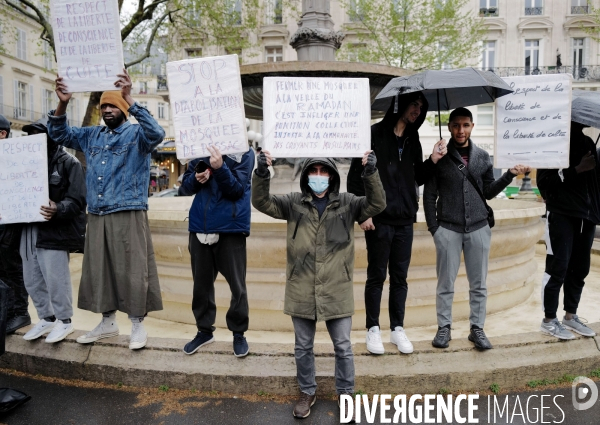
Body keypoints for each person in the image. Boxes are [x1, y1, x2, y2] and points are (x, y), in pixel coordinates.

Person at [252, 149, 386, 420]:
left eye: (324, 171)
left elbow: (377, 204)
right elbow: (262, 202)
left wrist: (370, 172)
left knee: (343, 346)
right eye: (313, 170)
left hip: (337, 286)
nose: (319, 176)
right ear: (306, 176)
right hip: (301, 285)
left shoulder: (348, 203)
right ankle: (307, 391)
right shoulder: (293, 203)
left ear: (333, 176)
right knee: (302, 345)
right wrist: (262, 173)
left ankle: (346, 393)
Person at [48, 69, 165, 350]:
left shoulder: (138, 135)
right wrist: (62, 103)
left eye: (113, 105)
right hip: (98, 213)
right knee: (100, 270)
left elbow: (157, 133)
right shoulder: (92, 136)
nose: (108, 110)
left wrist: (131, 99)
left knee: (133, 269)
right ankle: (108, 321)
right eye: (104, 106)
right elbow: (59, 133)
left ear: (123, 109)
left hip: (128, 210)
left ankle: (137, 324)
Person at [346, 92, 447, 355]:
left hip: (405, 220)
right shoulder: (374, 134)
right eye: (414, 104)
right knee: (377, 276)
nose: (417, 110)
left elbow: (417, 177)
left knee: (400, 278)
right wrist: (362, 213)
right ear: (400, 104)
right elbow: (355, 178)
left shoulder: (413, 139)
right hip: (379, 219)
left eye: (421, 107)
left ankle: (397, 328)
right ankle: (373, 329)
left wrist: (434, 159)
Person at [423, 107, 529, 350]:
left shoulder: (482, 156)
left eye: (466, 125)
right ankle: (444, 328)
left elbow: (488, 192)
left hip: (479, 228)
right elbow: (429, 196)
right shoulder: (438, 157)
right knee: (445, 283)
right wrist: (434, 229)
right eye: (456, 125)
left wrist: (510, 175)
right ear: (449, 127)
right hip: (447, 229)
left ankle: (477, 329)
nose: (461, 130)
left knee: (479, 283)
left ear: (472, 126)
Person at [180, 145, 255, 358]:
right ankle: (204, 331)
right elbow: (184, 188)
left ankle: (238, 333)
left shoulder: (244, 152)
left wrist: (220, 168)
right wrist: (196, 178)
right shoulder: (197, 149)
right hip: (199, 227)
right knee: (201, 285)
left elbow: (238, 190)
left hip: (230, 228)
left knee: (237, 286)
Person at [17, 119, 86, 343]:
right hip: (28, 229)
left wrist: (57, 208)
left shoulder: (69, 163)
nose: (34, 139)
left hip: (54, 230)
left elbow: (77, 201)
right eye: (31, 135)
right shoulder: (24, 164)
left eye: (39, 134)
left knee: (56, 278)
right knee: (32, 278)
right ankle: (46, 317)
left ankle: (64, 321)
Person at [537, 121, 599, 340]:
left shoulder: (588, 142)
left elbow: (595, 183)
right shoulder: (552, 142)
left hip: (587, 216)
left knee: (580, 269)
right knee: (557, 267)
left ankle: (570, 316)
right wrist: (577, 169)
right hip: (561, 215)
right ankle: (549, 320)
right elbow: (544, 182)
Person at [0, 114, 30, 335]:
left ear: (2, 134)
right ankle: (7, 311)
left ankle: (19, 313)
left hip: (11, 223)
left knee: (11, 268)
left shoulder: (15, 157)